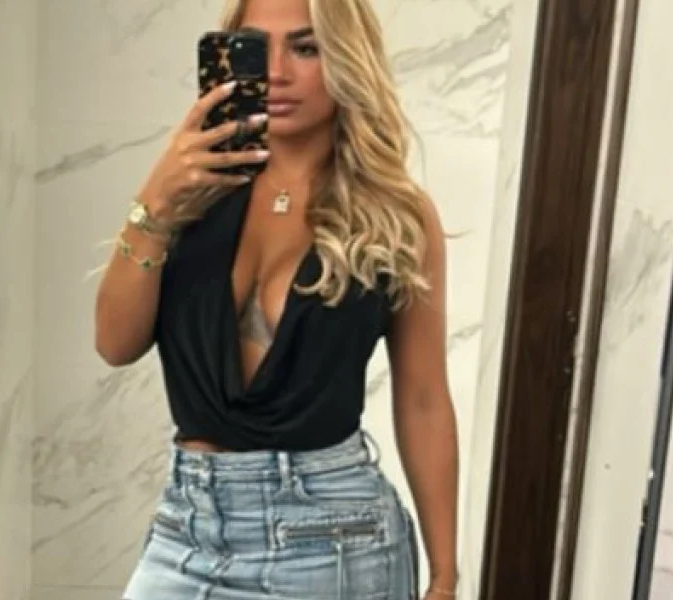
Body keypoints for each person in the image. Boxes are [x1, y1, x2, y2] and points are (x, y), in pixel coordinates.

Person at [94, 0, 459, 597]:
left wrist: (445, 575)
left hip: (334, 536)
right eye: (256, 49)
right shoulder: (190, 192)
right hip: (186, 532)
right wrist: (154, 203)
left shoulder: (395, 215)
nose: (277, 72)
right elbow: (114, 344)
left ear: (348, 58)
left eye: (306, 48)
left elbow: (422, 398)